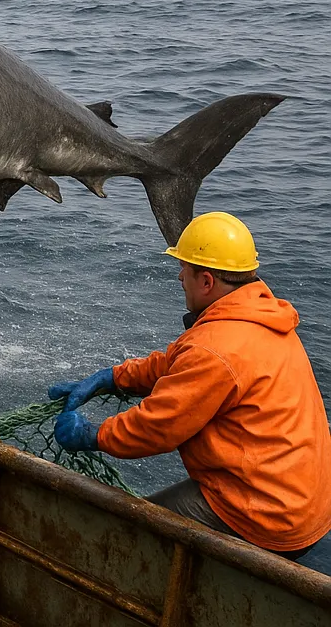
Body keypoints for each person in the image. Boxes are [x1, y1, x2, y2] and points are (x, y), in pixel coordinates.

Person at [49, 211, 331, 561]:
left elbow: (157, 427)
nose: (180, 276)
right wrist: (114, 377)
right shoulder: (257, 318)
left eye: (186, 268)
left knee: (119, 532)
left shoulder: (216, 347)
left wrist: (92, 436)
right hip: (301, 500)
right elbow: (177, 362)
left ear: (207, 281)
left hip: (266, 513)